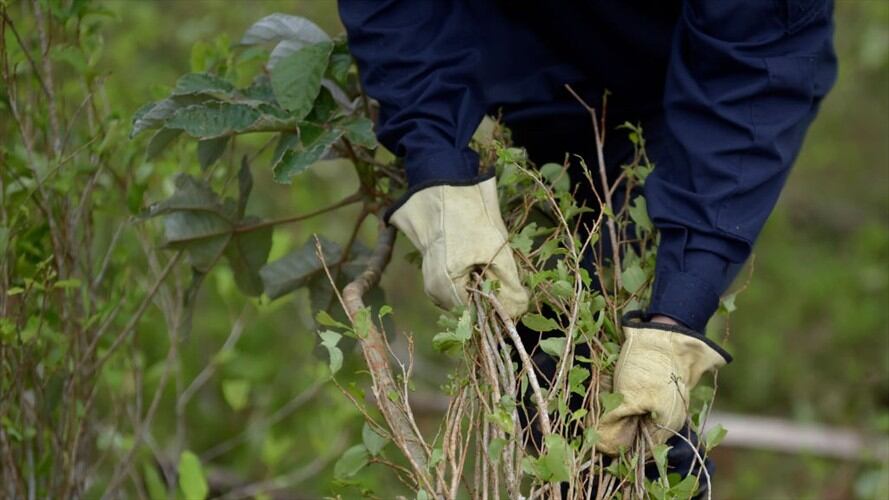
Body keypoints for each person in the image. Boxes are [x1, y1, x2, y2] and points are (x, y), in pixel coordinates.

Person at [339, 0, 837, 492]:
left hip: (691, 81)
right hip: (528, 64)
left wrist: (675, 318)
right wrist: (434, 161)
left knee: (636, 408)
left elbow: (753, 71)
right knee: (546, 373)